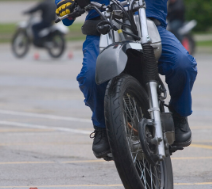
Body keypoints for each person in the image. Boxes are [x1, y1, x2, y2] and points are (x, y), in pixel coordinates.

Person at [56, 0, 197, 159]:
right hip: (102, 27)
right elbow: (66, 15)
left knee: (183, 64)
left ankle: (179, 115)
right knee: (91, 76)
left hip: (147, 25)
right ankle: (103, 127)